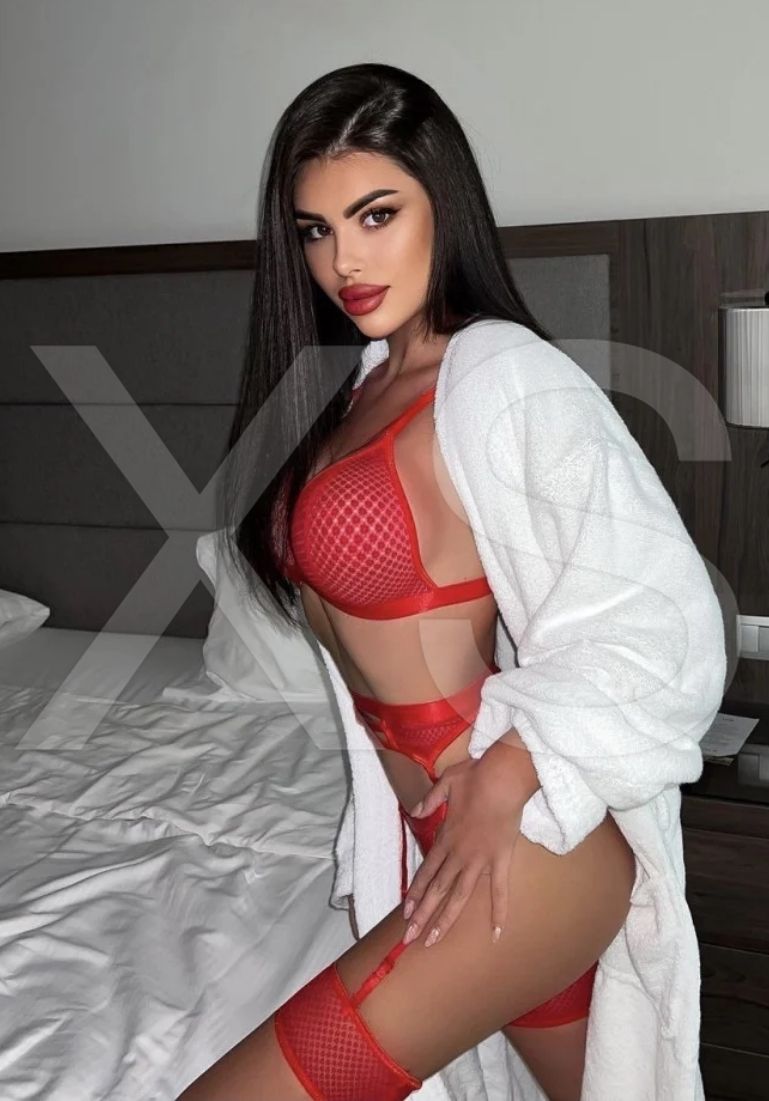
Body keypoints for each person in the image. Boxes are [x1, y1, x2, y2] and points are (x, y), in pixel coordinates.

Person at [176, 63, 726, 1101]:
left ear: (445, 204)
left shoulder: (502, 373)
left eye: (376, 214)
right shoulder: (354, 389)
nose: (343, 260)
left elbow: (667, 614)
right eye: (315, 230)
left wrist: (510, 770)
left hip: (523, 848)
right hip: (440, 841)